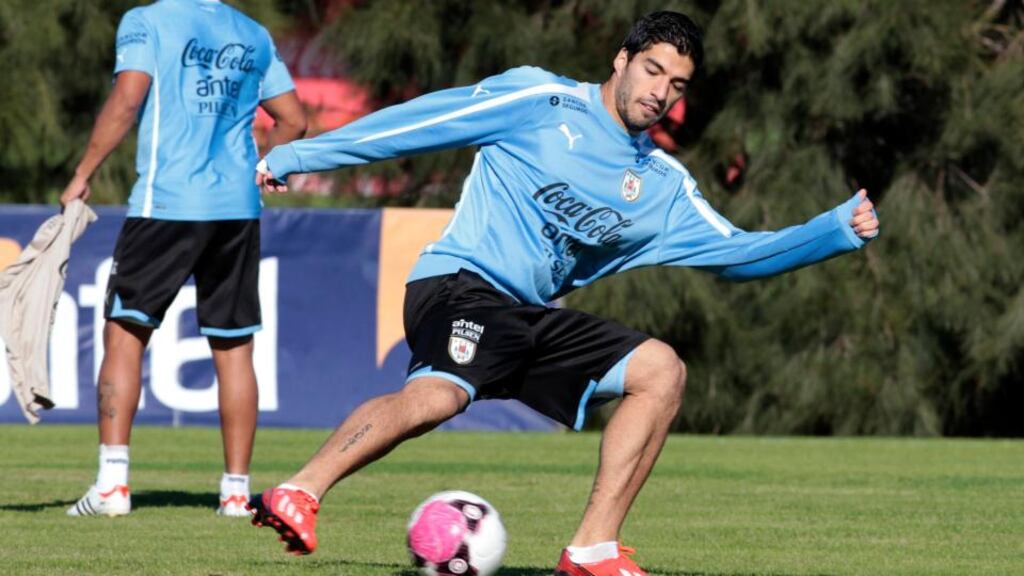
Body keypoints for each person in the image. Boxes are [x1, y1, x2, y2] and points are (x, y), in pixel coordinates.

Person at [247, 10, 879, 575]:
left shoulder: (662, 187)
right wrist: (300, 155)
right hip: (458, 283)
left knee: (660, 370)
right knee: (439, 396)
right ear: (622, 60)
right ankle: (301, 490)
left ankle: (593, 549)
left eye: (677, 84)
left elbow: (739, 254)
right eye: (652, 70)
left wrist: (831, 231)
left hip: (526, 314)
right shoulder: (540, 100)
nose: (660, 92)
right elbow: (424, 121)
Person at [61, 0, 306, 518]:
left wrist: (83, 172)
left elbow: (128, 100)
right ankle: (237, 495)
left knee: (125, 332)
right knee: (235, 346)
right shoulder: (252, 32)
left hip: (165, 205)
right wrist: (262, 167)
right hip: (236, 211)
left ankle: (112, 487)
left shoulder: (146, 21)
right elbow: (294, 120)